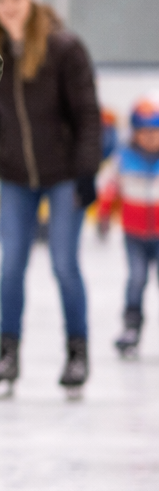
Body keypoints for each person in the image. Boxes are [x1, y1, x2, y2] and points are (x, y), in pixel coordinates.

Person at [0, 0, 102, 400]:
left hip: (64, 175)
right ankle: (8, 355)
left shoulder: (65, 49)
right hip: (15, 178)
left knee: (64, 265)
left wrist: (87, 173)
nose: (8, 5)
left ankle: (77, 352)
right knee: (10, 268)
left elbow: (87, 116)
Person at [96, 97, 159, 359]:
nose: (149, 138)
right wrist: (103, 214)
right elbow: (110, 188)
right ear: (134, 133)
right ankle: (131, 328)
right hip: (133, 234)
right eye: (143, 132)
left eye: (154, 132)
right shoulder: (123, 158)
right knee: (136, 279)